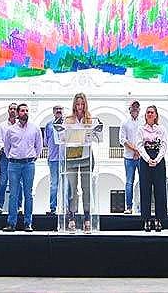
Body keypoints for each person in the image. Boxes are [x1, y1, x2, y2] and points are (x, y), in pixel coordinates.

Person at [63, 93, 102, 233]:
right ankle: (71, 217)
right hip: (72, 155)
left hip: (86, 155)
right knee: (72, 188)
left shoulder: (91, 119)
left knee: (86, 188)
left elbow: (98, 137)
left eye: (82, 104)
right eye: (77, 104)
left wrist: (93, 133)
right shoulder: (68, 120)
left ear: (85, 104)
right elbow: (62, 137)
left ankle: (87, 218)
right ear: (74, 105)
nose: (80, 106)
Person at [2, 103, 43, 232]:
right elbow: (7, 147)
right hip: (13, 164)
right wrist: (12, 157)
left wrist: (33, 157)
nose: (25, 113)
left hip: (29, 164)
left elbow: (39, 145)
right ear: (18, 113)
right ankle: (11, 223)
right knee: (13, 194)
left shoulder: (35, 128)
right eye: (22, 111)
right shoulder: (11, 130)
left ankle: (28, 223)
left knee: (28, 194)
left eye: (27, 110)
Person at [135, 105, 168, 232]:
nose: (150, 114)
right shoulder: (141, 129)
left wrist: (157, 159)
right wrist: (147, 159)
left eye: (152, 112)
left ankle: (159, 219)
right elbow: (139, 145)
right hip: (145, 160)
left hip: (158, 160)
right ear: (145, 115)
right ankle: (146, 219)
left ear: (155, 115)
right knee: (145, 189)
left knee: (160, 189)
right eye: (148, 112)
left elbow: (164, 145)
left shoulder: (161, 129)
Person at [0, 103, 21, 214]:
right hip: (5, 157)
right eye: (11, 109)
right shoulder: (2, 126)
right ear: (8, 110)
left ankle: (19, 207)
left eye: (15, 109)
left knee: (19, 183)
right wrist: (6, 150)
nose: (13, 111)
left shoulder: (21, 126)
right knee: (3, 181)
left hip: (17, 157)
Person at [119, 100, 142, 214]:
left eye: (137, 108)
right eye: (133, 108)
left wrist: (138, 152)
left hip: (141, 156)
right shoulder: (125, 123)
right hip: (129, 157)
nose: (135, 110)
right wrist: (134, 150)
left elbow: (143, 138)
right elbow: (122, 140)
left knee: (143, 182)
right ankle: (129, 206)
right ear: (129, 110)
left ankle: (143, 207)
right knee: (129, 182)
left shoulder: (142, 122)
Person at [44, 105, 65, 215]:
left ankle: (66, 208)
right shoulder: (48, 125)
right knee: (54, 184)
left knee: (66, 184)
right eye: (56, 110)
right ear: (53, 112)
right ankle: (53, 208)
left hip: (65, 158)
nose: (58, 111)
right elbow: (46, 142)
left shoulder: (67, 124)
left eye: (60, 110)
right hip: (53, 158)